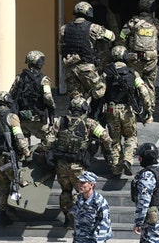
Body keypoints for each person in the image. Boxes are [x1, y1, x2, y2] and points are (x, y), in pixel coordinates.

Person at [46, 95, 116, 228]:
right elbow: (106, 138)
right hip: (78, 164)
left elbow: (48, 140)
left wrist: (45, 153)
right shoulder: (90, 123)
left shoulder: (60, 121)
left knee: (66, 190)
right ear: (85, 108)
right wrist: (106, 150)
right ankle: (75, 212)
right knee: (80, 192)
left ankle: (67, 217)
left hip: (61, 164)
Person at [102, 45, 153, 178]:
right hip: (128, 110)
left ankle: (116, 169)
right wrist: (148, 110)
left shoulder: (106, 73)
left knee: (114, 139)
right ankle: (128, 160)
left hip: (111, 110)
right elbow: (144, 92)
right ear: (125, 56)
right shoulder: (133, 73)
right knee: (130, 137)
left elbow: (99, 92)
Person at [0, 91, 31, 227]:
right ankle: (16, 208)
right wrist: (26, 151)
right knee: (21, 182)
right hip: (7, 158)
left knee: (1, 187)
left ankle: (4, 215)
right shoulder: (11, 116)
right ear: (7, 101)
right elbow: (19, 136)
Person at [120, 0, 159, 122]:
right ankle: (149, 114)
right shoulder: (156, 24)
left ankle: (132, 111)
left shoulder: (132, 22)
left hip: (134, 60)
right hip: (151, 62)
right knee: (149, 86)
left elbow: (121, 37)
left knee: (133, 84)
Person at [59, 1, 116, 104]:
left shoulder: (64, 29)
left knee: (75, 96)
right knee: (100, 89)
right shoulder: (93, 28)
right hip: (87, 67)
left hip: (69, 68)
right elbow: (112, 36)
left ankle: (77, 114)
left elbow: (60, 49)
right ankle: (89, 105)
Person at [9, 50, 57, 151]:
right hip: (38, 120)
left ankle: (24, 159)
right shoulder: (44, 80)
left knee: (23, 146)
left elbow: (11, 95)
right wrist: (52, 120)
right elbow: (48, 98)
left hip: (22, 119)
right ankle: (42, 158)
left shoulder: (19, 78)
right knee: (50, 142)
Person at [131, 143, 159, 243]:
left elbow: (144, 201)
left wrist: (138, 222)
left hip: (152, 216)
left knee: (151, 240)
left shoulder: (147, 176)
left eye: (140, 157)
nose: (139, 159)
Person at [84, 0, 120, 72]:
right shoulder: (106, 11)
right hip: (103, 46)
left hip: (87, 45)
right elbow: (114, 29)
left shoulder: (83, 11)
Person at [72, 171, 113, 243]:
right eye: (79, 182)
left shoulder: (99, 202)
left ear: (91, 185)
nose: (79, 185)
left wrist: (99, 240)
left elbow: (104, 223)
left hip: (93, 239)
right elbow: (77, 221)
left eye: (83, 183)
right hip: (80, 238)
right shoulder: (79, 198)